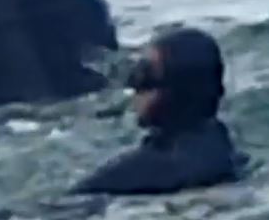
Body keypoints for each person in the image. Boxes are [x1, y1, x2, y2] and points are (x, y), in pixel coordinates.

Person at [71, 26, 248, 196]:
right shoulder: (225, 151)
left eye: (144, 75)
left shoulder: (138, 170)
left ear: (180, 92)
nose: (133, 85)